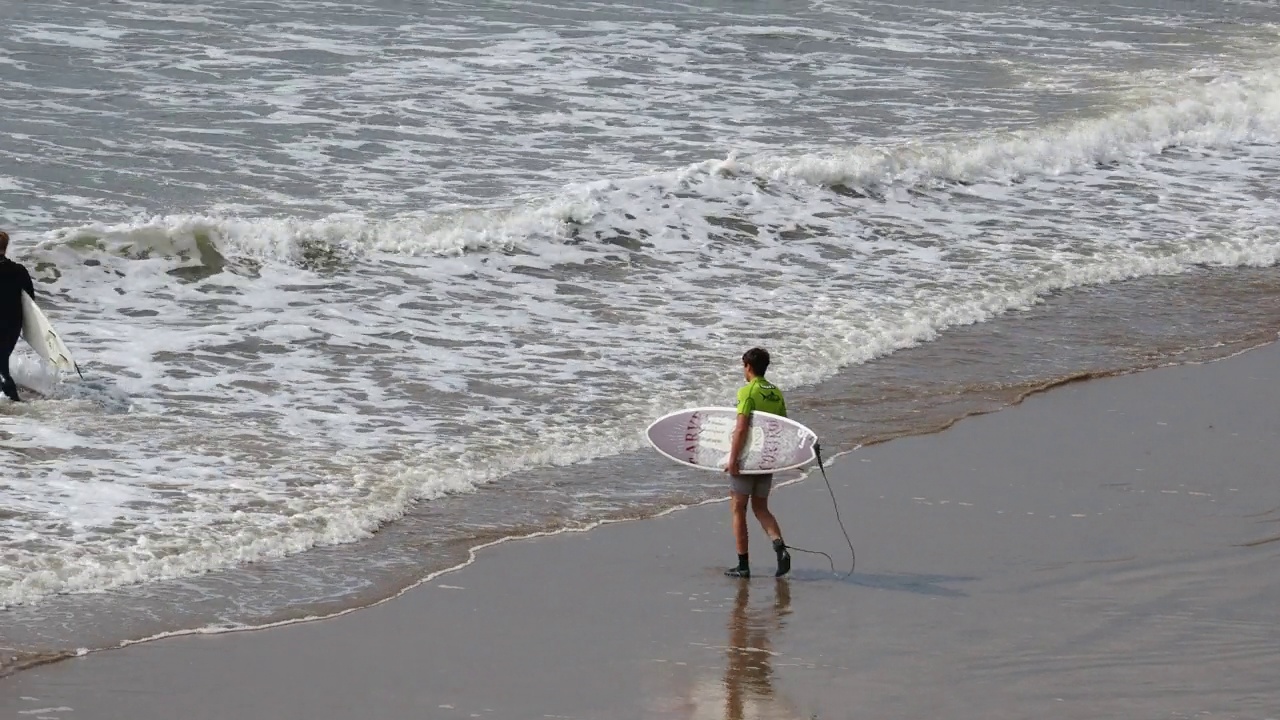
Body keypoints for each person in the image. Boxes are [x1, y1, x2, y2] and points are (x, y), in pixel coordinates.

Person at [724, 347, 791, 578]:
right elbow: (782, 427)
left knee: (738, 508)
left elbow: (741, 428)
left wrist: (732, 459)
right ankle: (780, 548)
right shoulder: (776, 392)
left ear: (748, 366)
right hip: (767, 460)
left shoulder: (747, 391)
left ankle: (743, 566)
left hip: (747, 460)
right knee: (761, 508)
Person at [0, 229, 35, 402]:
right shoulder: (19, 270)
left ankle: (15, 403)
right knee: (2, 362)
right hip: (12, 325)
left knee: (2, 370)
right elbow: (30, 302)